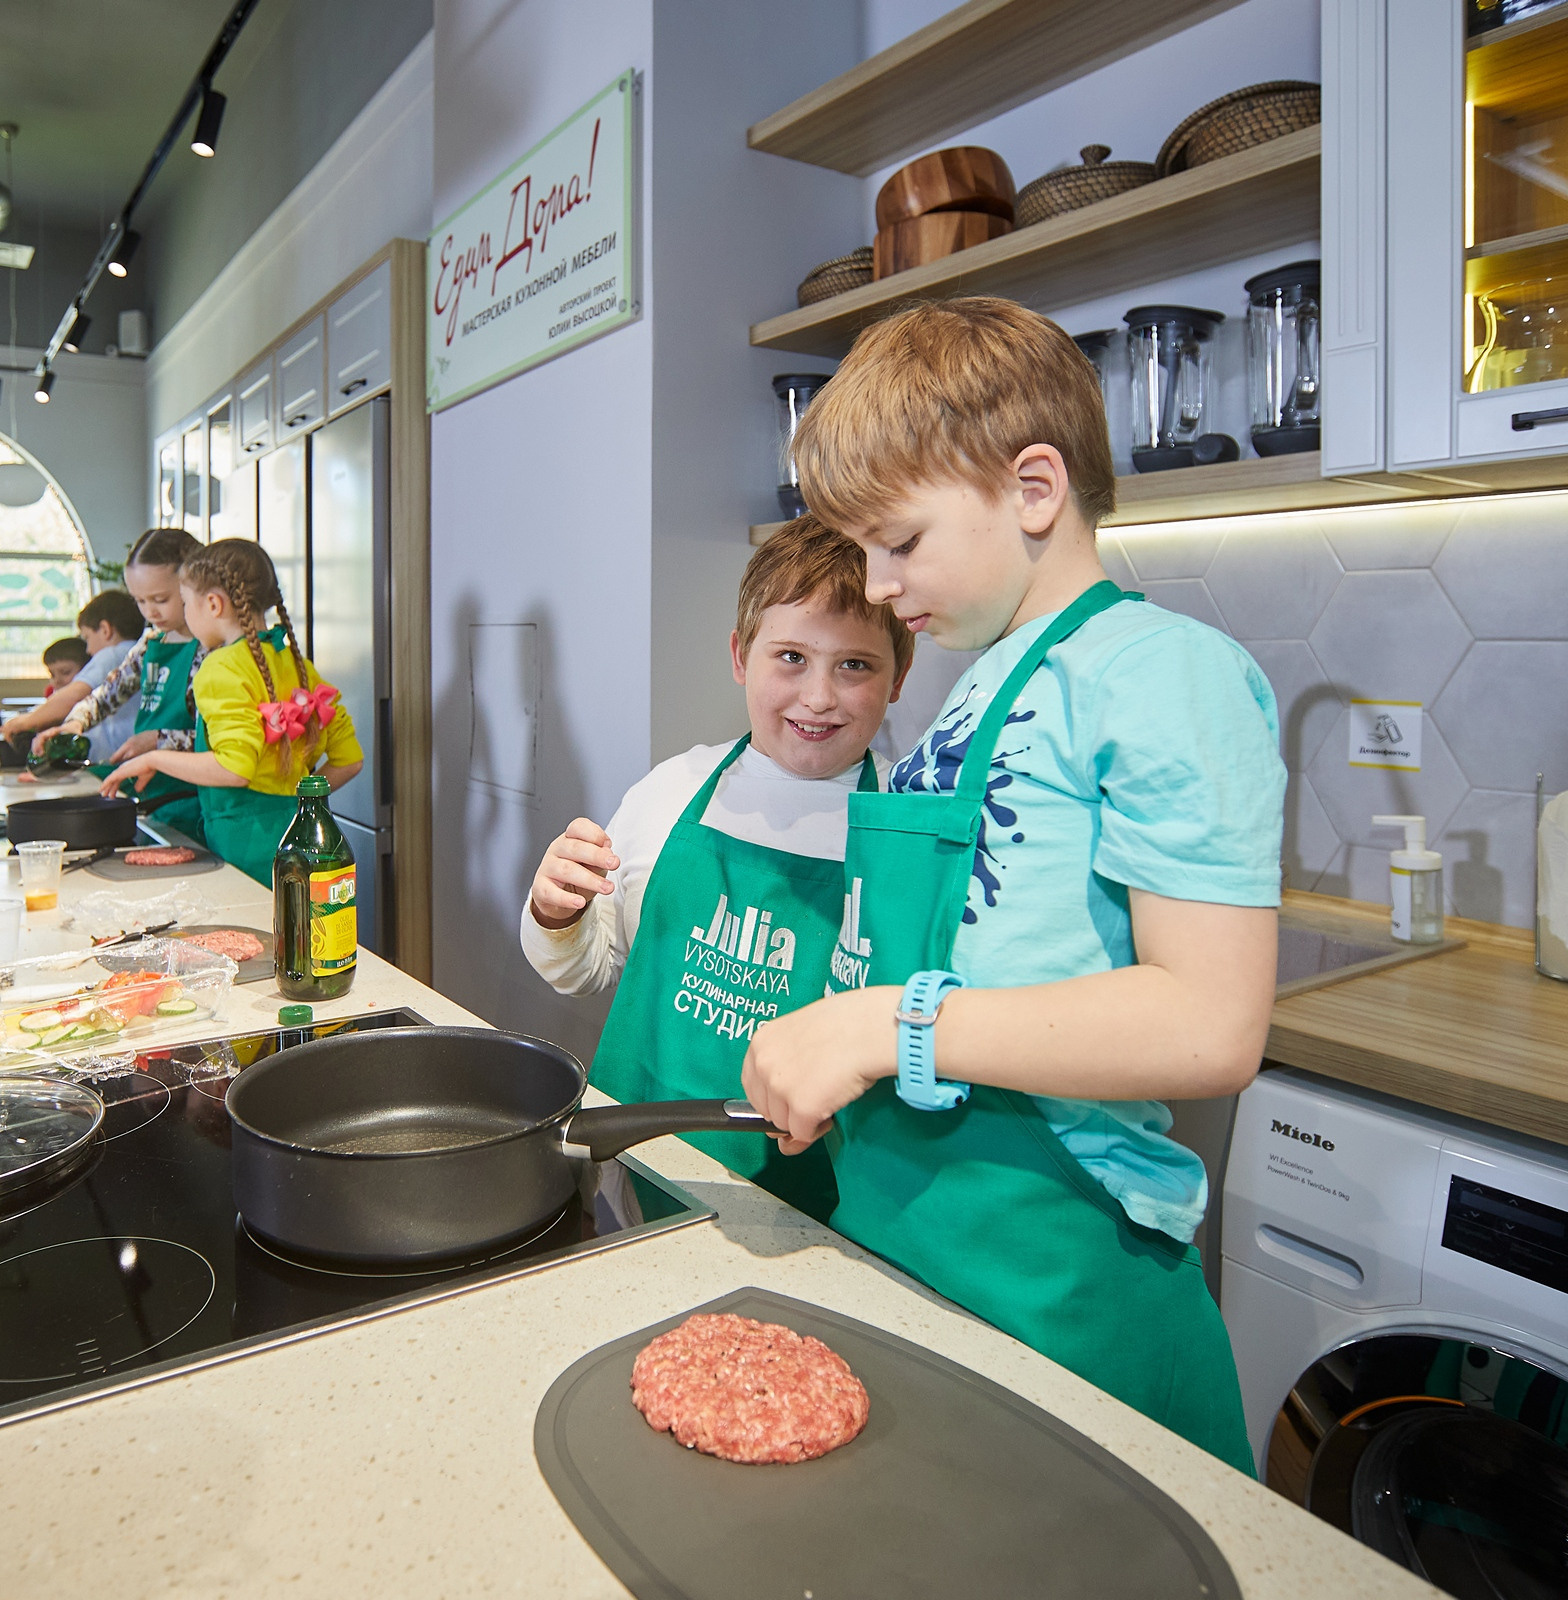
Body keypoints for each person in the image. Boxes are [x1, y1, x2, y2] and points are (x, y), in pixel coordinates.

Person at [735, 297, 1284, 1473]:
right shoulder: (978, 692)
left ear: (1035, 490)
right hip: (915, 1239)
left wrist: (886, 1023)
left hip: (1061, 1277)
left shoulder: (1163, 674)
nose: (878, 587)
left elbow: (1210, 1023)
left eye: (900, 542)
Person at [523, 519, 911, 1220]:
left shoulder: (909, 828)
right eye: (790, 656)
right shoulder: (671, 790)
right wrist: (558, 914)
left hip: (816, 1204)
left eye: (855, 665)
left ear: (899, 677)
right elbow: (590, 967)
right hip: (644, 1168)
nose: (819, 697)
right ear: (741, 656)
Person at [99, 537, 361, 884]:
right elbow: (349, 760)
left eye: (186, 603)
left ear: (213, 604)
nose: (187, 616)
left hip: (246, 849)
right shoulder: (297, 665)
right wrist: (299, 802)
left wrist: (152, 759)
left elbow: (234, 768)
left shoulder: (221, 667)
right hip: (300, 839)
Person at [48, 531, 202, 831]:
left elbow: (221, 741)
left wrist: (158, 740)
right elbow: (106, 694)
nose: (150, 612)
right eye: (140, 601)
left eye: (160, 599)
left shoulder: (212, 648)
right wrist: (74, 724)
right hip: (151, 795)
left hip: (193, 799)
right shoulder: (152, 642)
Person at [4, 589, 146, 767]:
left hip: (118, 760)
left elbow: (75, 695)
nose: (87, 649)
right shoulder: (140, 652)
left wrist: (26, 721)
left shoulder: (113, 654)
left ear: (105, 630)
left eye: (87, 638)